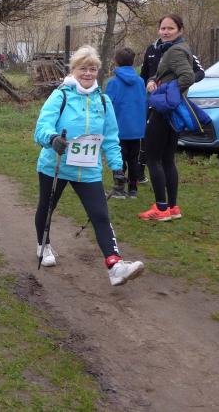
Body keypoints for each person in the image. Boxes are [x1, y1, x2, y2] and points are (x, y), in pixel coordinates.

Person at [33, 45, 144, 286]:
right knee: (47, 207)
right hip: (56, 164)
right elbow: (42, 127)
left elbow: (111, 138)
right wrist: (52, 139)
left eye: (93, 69)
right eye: (83, 68)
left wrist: (117, 168)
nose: (88, 73)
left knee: (100, 215)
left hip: (88, 169)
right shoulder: (60, 95)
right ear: (73, 70)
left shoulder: (103, 101)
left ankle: (115, 266)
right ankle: (43, 244)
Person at [138, 14, 195, 221]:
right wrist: (153, 80)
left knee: (153, 159)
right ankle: (172, 207)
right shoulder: (176, 48)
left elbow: (188, 76)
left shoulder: (175, 51)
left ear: (180, 30)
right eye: (163, 28)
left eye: (170, 28)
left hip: (163, 111)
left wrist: (166, 93)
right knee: (168, 160)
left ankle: (161, 209)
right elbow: (168, 74)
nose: (165, 32)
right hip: (173, 113)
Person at [105, 47, 147, 199]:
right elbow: (144, 102)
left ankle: (119, 189)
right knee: (134, 159)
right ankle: (133, 190)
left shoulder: (113, 83)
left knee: (119, 159)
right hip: (136, 128)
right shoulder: (140, 81)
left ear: (116, 62)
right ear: (132, 61)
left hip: (118, 128)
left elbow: (107, 106)